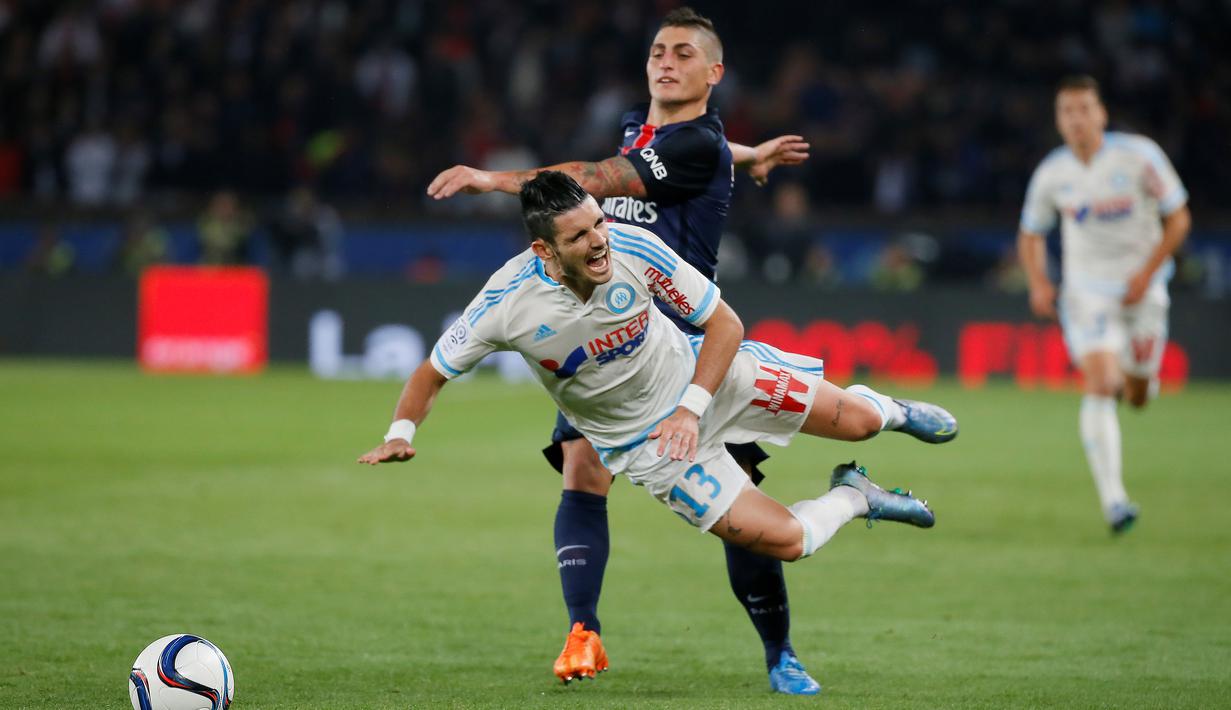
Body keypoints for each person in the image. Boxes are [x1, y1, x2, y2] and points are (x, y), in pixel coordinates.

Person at [360, 171, 958, 688]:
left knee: (858, 422)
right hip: (652, 449)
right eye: (580, 236)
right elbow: (433, 371)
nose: (599, 242)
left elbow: (725, 323)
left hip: (709, 380)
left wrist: (690, 407)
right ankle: (857, 496)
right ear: (545, 252)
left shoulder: (634, 248)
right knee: (790, 542)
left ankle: (893, 411)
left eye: (598, 223)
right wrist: (401, 431)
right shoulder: (505, 304)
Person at [426, 8, 819, 693]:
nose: (664, 62)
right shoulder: (644, 129)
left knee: (742, 516)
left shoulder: (686, 142)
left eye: (682, 54)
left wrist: (493, 180)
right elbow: (666, 160)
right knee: (581, 469)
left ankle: (779, 652)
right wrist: (748, 157)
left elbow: (598, 179)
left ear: (712, 72)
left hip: (689, 341)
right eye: (657, 52)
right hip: (610, 331)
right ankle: (584, 631)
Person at [1017, 75, 1191, 534]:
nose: (1075, 119)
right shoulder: (1053, 172)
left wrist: (1147, 272)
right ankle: (1115, 502)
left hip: (1145, 289)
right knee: (1100, 381)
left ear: (1101, 114)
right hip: (1086, 292)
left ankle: (1143, 381)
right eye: (1066, 112)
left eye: (1083, 109)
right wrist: (1038, 281)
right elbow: (1031, 232)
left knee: (1135, 392)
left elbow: (1179, 217)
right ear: (1058, 120)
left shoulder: (1140, 156)